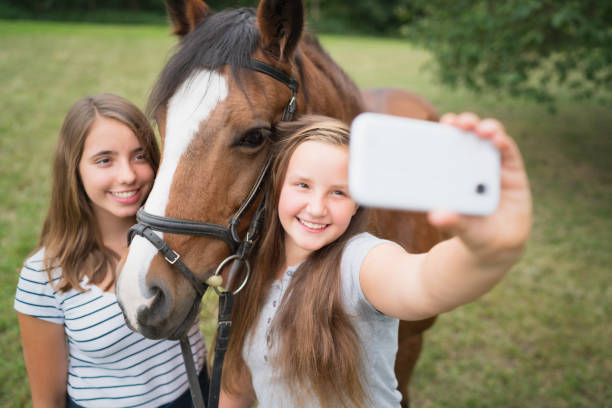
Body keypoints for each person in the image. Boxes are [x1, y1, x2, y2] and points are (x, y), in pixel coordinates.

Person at [219, 113, 532, 407]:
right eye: (303, 185)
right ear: (277, 187)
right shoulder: (252, 269)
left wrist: (485, 254)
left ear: (357, 204)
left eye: (339, 192)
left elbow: (422, 283)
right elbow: (239, 383)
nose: (317, 207)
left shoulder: (358, 262)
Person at [14, 94, 209, 408]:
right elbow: (47, 400)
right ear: (74, 169)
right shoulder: (44, 274)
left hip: (196, 396)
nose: (128, 175)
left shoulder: (178, 239)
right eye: (105, 160)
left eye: (139, 156)